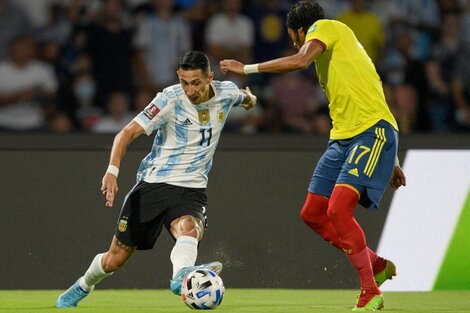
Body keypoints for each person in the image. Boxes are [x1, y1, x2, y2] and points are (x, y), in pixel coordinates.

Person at [220, 1, 406, 311]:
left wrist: (247, 68)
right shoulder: (342, 52)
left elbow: (298, 60)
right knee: (313, 212)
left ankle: (370, 291)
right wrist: (394, 160)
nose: (295, 41)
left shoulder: (326, 28)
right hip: (343, 137)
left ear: (298, 30)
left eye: (293, 35)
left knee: (338, 210)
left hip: (372, 132)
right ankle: (373, 263)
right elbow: (373, 89)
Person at [56, 50, 257, 308]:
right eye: (184, 82)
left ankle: (180, 277)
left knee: (190, 229)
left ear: (210, 77)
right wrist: (112, 171)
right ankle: (83, 285)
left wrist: (250, 98)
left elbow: (245, 98)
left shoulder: (226, 92)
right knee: (114, 260)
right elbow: (125, 134)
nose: (190, 89)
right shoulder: (168, 99)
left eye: (196, 83)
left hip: (192, 188)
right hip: (154, 185)